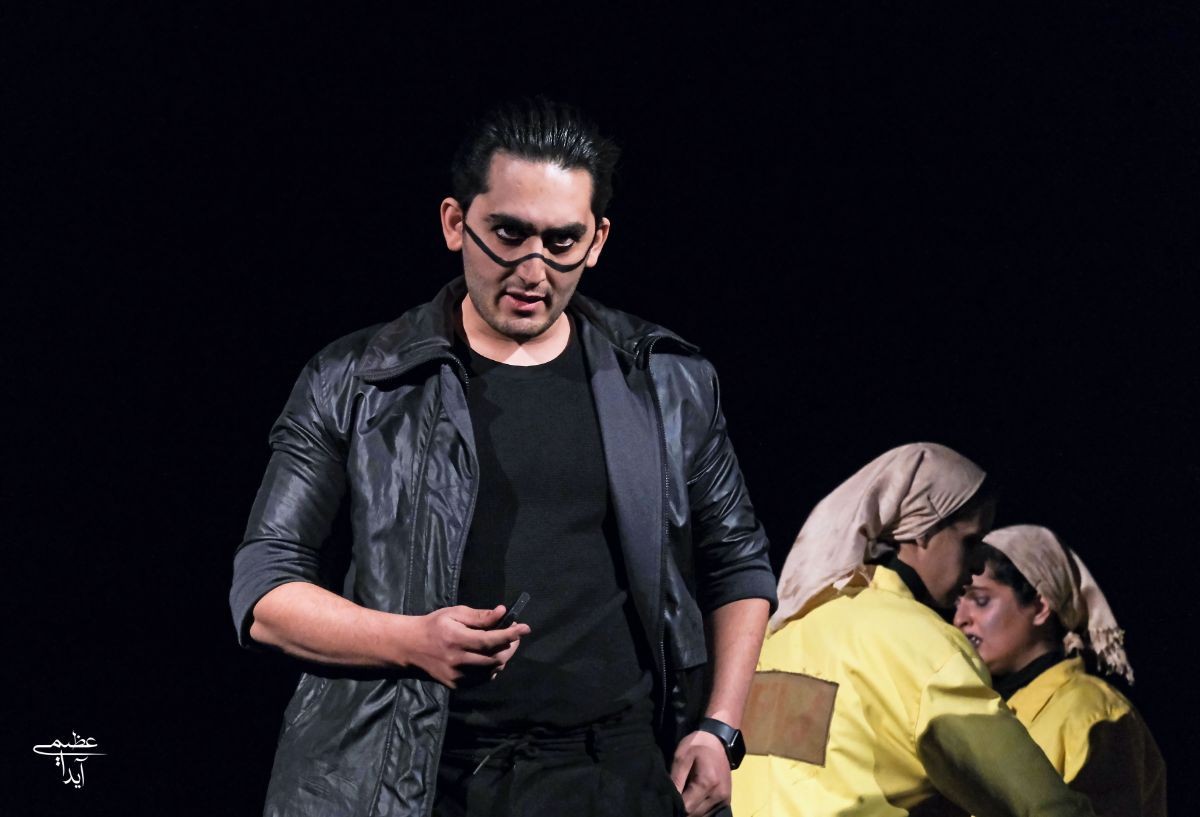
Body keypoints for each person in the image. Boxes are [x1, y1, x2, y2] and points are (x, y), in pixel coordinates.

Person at [229, 98, 776, 817]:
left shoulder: (667, 380)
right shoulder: (356, 378)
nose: (533, 269)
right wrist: (410, 641)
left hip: (612, 775)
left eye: (562, 240)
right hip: (421, 774)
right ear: (456, 223)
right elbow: (264, 590)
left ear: (597, 240)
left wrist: (719, 726)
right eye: (509, 234)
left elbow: (738, 563)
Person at [730, 443, 1098, 816]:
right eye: (970, 541)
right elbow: (1039, 804)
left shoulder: (779, 639)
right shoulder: (919, 640)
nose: (976, 567)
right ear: (922, 530)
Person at [954, 525, 1166, 816]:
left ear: (1041, 605)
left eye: (980, 601)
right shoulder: (986, 707)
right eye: (958, 601)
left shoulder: (1092, 713)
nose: (960, 619)